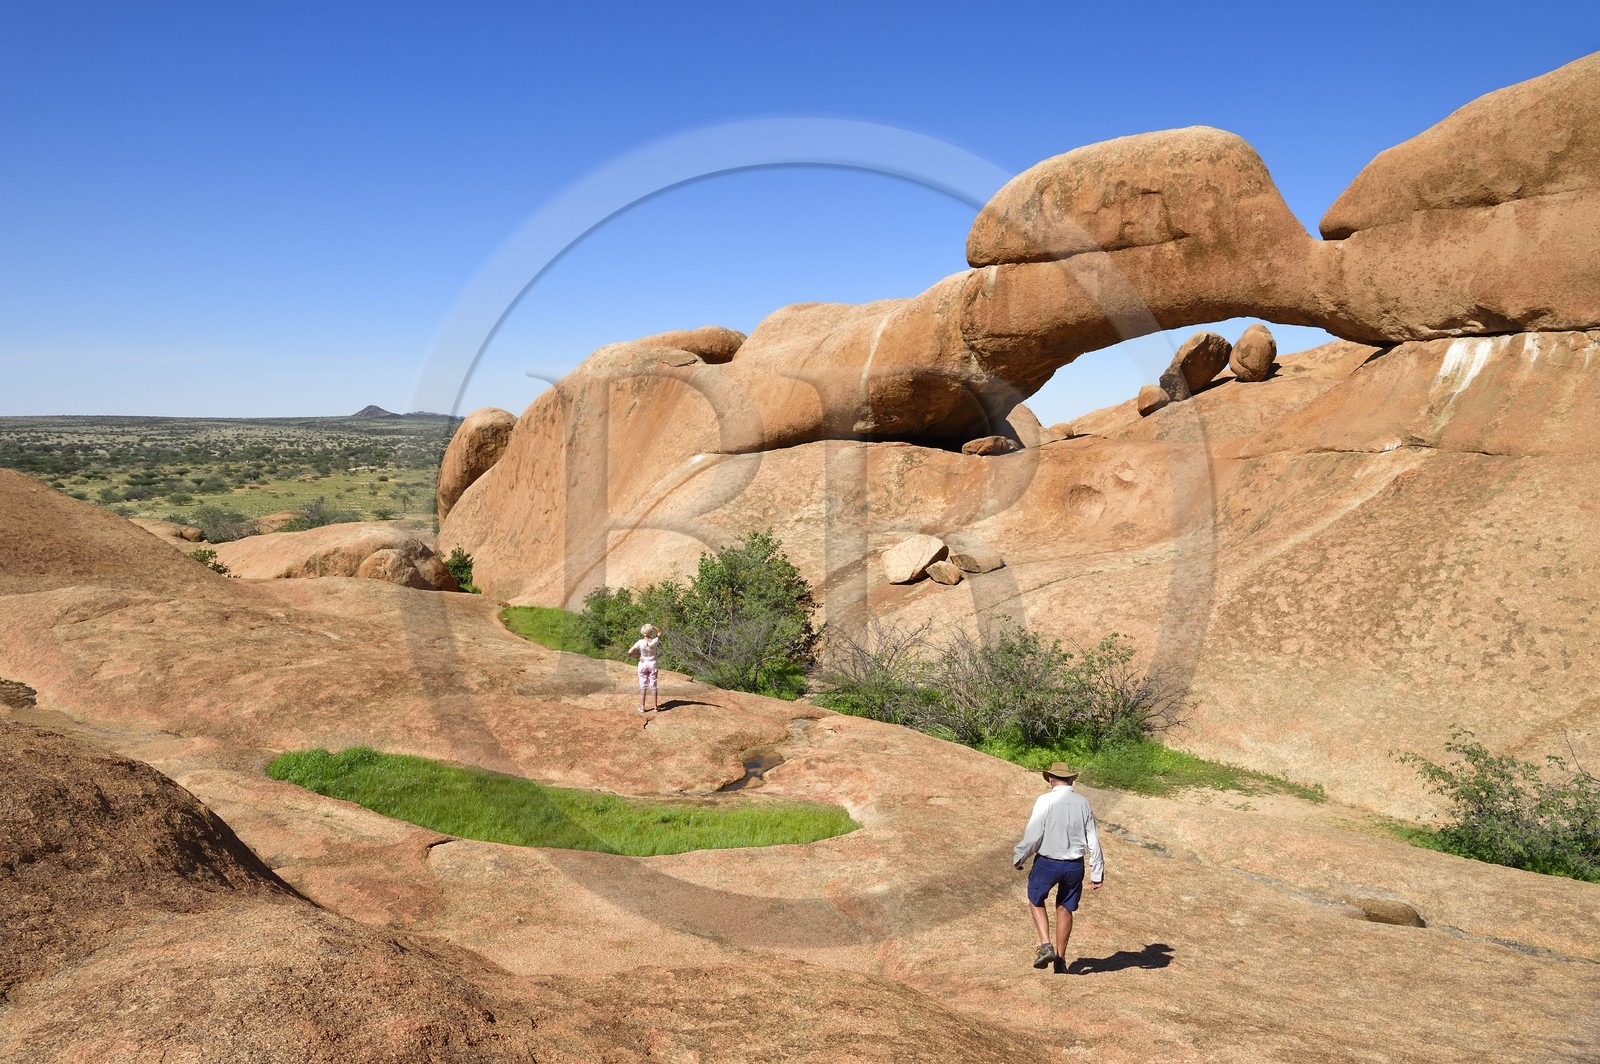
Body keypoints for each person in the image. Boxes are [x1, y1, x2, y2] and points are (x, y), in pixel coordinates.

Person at [1013, 761, 1104, 972]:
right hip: (1074, 866)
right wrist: (1097, 872)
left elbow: (1034, 834)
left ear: (1051, 779)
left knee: (1036, 899)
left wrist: (1021, 856)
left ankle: (1046, 945)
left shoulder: (1045, 800)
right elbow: (1093, 838)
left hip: (1047, 863)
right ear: (1071, 779)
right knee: (1065, 908)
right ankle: (1061, 960)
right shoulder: (1083, 803)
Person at [626, 623, 663, 712]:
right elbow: (660, 633)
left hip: (643, 664)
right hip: (652, 664)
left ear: (643, 633)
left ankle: (642, 707)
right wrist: (653, 627)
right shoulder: (654, 641)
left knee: (643, 686)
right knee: (653, 686)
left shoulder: (640, 642)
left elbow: (630, 651)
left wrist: (638, 656)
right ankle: (655, 707)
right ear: (650, 632)